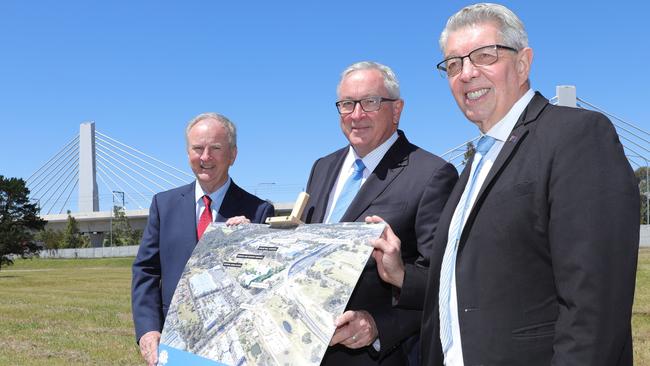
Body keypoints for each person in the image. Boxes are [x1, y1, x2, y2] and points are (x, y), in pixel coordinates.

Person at [369, 3, 639, 366]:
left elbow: (595, 305)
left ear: (523, 63)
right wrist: (401, 274)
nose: (466, 73)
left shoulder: (576, 136)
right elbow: (472, 279)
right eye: (453, 64)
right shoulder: (475, 164)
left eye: (484, 56)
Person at [302, 61, 458, 365]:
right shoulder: (322, 167)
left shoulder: (432, 174)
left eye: (370, 102)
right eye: (347, 104)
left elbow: (443, 282)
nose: (356, 115)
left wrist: (379, 325)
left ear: (397, 109)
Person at [131, 112, 274, 366]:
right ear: (188, 153)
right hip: (173, 344)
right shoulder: (164, 205)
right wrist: (148, 330)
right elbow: (146, 271)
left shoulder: (258, 211)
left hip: (232, 346)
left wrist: (250, 243)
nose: (205, 157)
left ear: (233, 155)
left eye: (215, 148)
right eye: (198, 148)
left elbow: (265, 284)